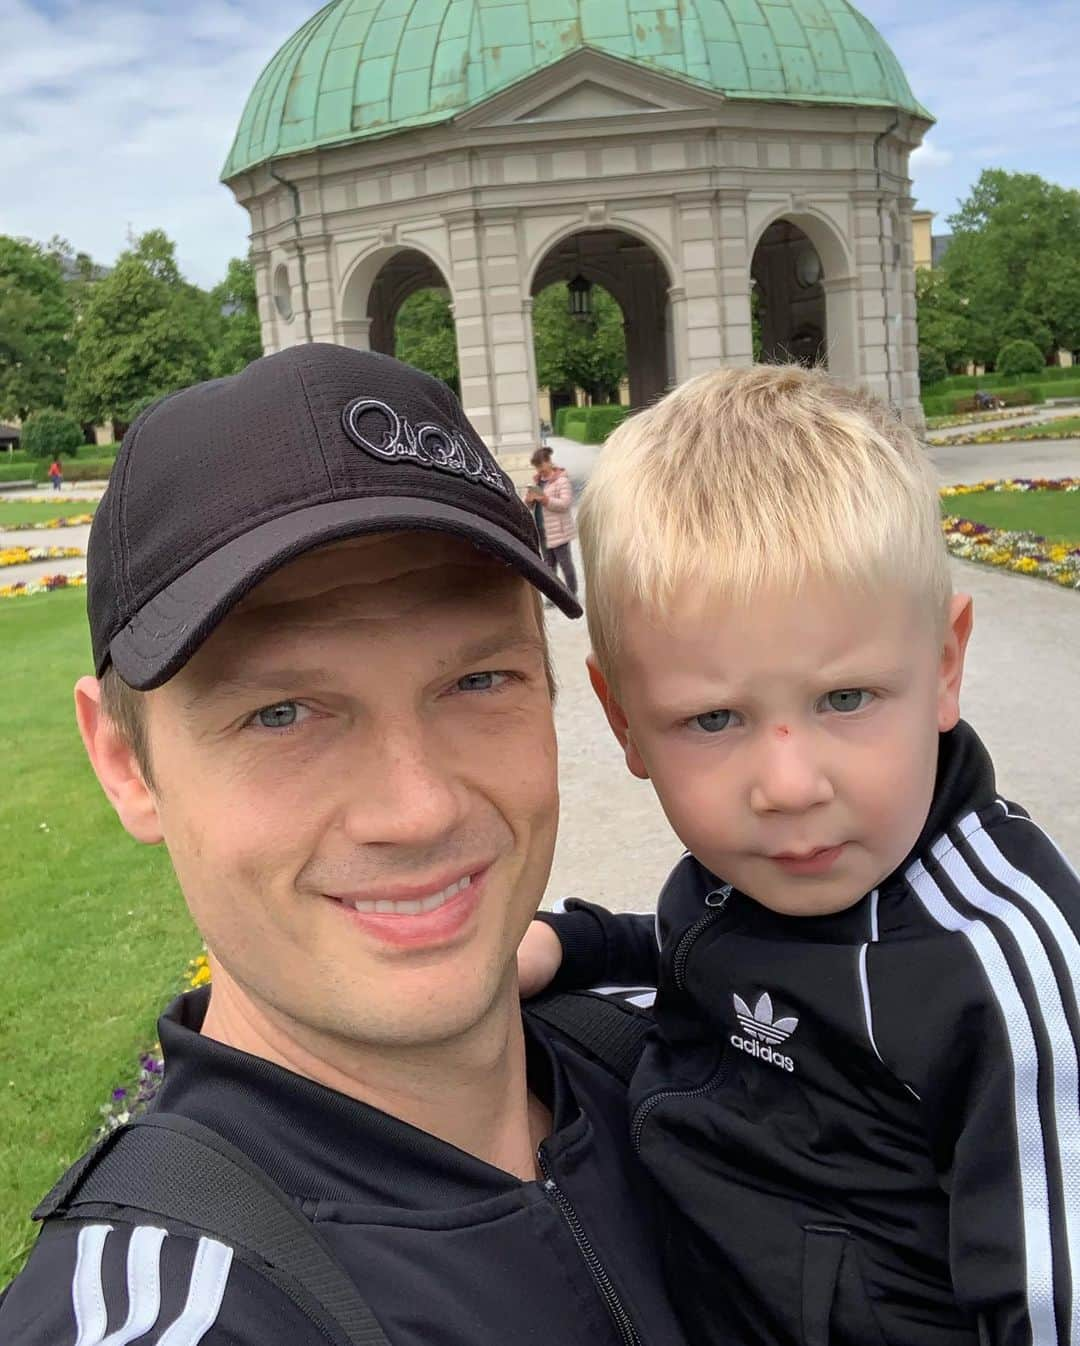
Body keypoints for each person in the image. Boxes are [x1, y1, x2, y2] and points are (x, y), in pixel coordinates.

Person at [0, 346, 688, 1346]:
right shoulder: (176, 1315)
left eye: (479, 679)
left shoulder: (697, 1058)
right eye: (282, 711)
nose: (415, 808)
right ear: (125, 761)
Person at [519, 363, 1080, 1346]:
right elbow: (698, 940)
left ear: (944, 667)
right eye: (714, 717)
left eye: (847, 698)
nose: (787, 784)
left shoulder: (997, 970)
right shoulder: (774, 872)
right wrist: (575, 945)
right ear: (624, 722)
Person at [527, 445, 578, 599]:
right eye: (537, 467)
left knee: (565, 564)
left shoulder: (561, 481)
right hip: (542, 530)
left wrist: (544, 499)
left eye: (541, 465)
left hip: (559, 530)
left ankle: (571, 593)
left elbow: (565, 504)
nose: (539, 470)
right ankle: (554, 596)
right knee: (549, 566)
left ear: (549, 462)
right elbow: (529, 503)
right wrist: (529, 500)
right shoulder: (537, 482)